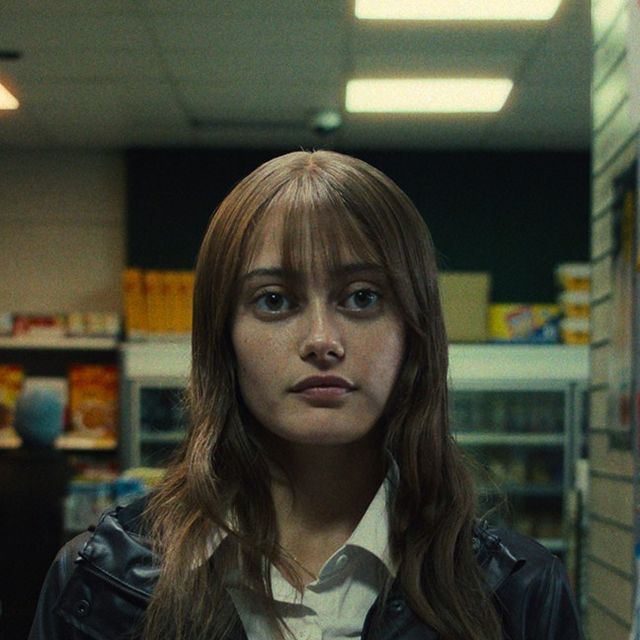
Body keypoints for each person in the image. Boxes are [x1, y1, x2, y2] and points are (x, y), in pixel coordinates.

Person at [29, 150, 584, 640]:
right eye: (274, 300)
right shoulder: (99, 584)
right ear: (223, 336)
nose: (322, 340)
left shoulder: (517, 594)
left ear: (414, 331)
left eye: (362, 297)